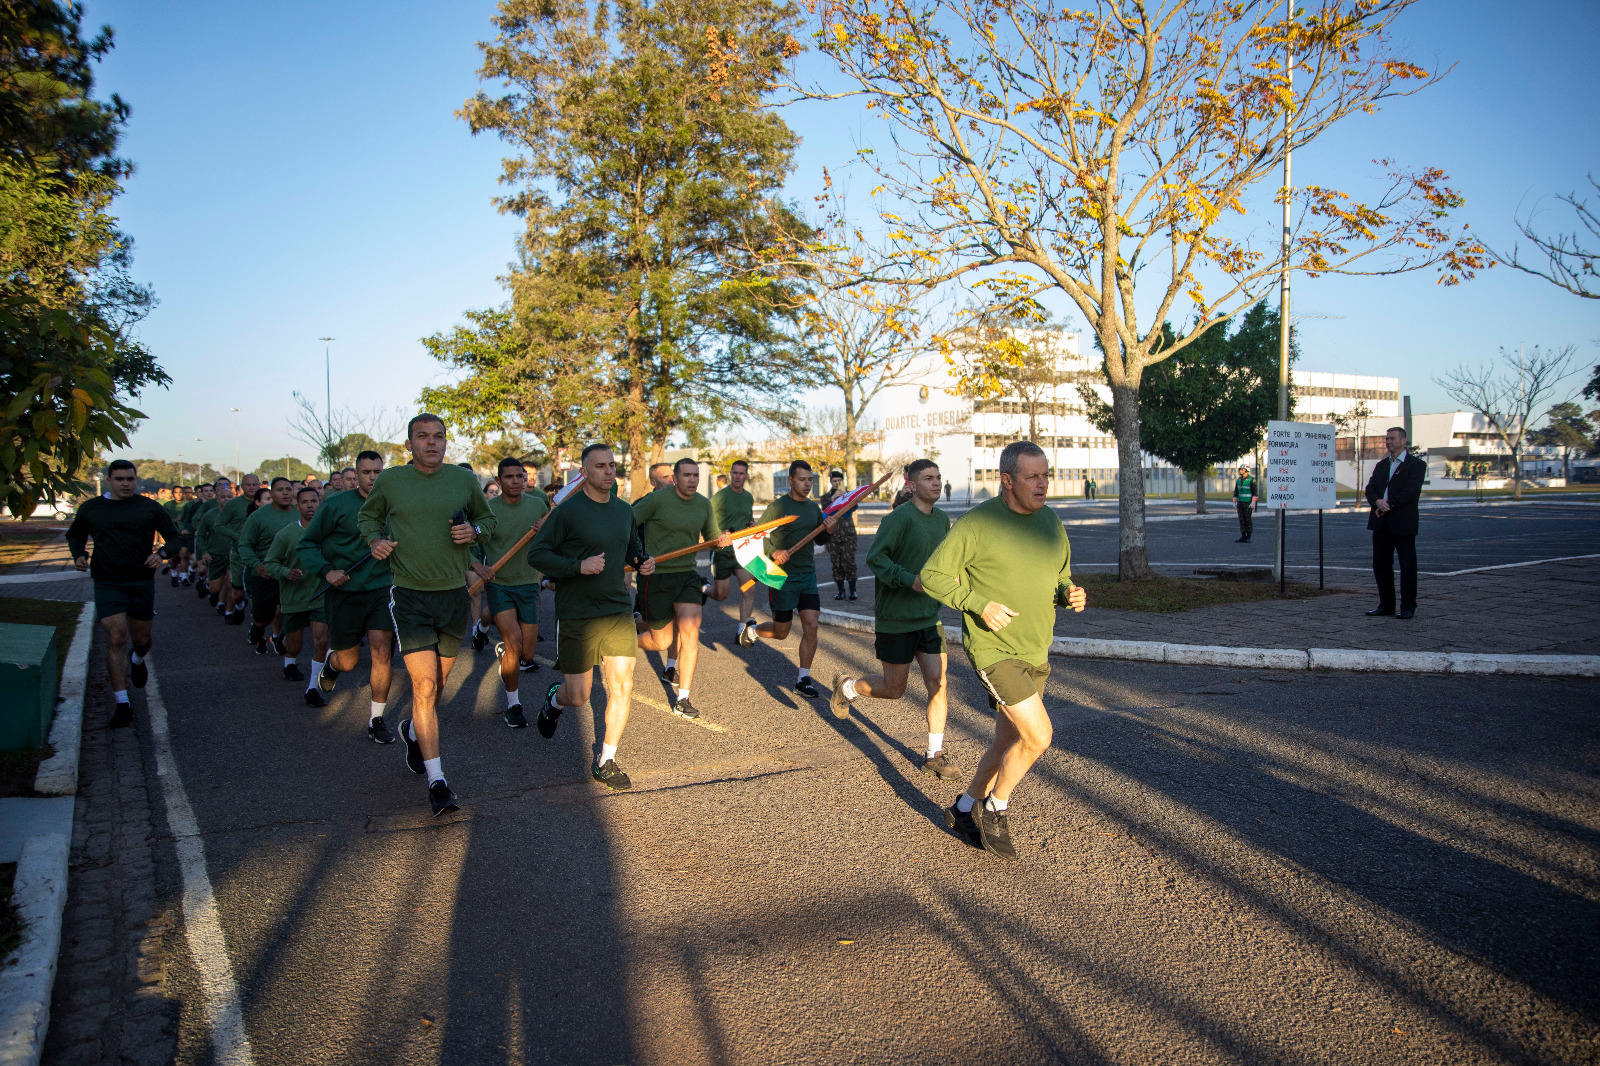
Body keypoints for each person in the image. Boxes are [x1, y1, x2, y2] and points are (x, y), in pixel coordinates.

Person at [920, 441, 1086, 861]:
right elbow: (932, 575)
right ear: (1007, 480)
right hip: (995, 650)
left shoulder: (1051, 522)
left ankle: (963, 809)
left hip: (1036, 649)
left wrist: (1069, 593)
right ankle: (995, 807)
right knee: (1039, 736)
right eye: (1032, 477)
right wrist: (979, 604)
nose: (1042, 484)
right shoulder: (977, 525)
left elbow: (1061, 574)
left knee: (1007, 740)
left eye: (1045, 475)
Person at [359, 416, 495, 816]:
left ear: (446, 443)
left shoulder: (463, 480)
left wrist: (474, 532)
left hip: (453, 596)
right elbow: (368, 517)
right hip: (410, 596)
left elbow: (488, 521)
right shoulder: (391, 481)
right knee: (424, 685)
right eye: (423, 437)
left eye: (438, 437)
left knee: (438, 686)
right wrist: (374, 540)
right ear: (409, 444)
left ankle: (413, 731)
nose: (431, 443)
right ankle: (438, 782)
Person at [527, 443, 656, 790]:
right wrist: (577, 566)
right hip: (577, 614)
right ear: (584, 472)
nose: (608, 471)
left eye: (612, 465)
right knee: (579, 695)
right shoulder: (567, 512)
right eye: (600, 466)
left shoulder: (624, 511)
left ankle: (606, 760)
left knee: (623, 686)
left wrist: (643, 561)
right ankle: (555, 699)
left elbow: (632, 550)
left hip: (616, 610)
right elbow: (537, 555)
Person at [831, 459, 959, 779]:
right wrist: (908, 580)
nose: (936, 483)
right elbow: (876, 558)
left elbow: (943, 560)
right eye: (928, 478)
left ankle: (934, 754)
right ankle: (848, 687)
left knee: (938, 683)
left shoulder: (942, 520)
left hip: (928, 617)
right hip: (896, 618)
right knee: (894, 689)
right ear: (911, 485)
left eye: (938, 477)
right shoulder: (898, 519)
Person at [66, 460, 181, 728]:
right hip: (107, 581)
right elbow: (75, 535)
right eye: (119, 479)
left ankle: (137, 658)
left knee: (141, 641)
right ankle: (122, 703)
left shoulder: (149, 507)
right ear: (109, 480)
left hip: (141, 581)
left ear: (135, 480)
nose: (126, 484)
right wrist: (79, 554)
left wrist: (162, 554)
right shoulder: (92, 508)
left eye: (130, 479)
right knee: (116, 637)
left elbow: (174, 538)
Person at [298, 451, 395, 720]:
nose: (372, 477)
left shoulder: (394, 505)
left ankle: (377, 719)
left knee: (382, 653)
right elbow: (307, 544)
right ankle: (333, 664)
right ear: (355, 474)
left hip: (381, 589)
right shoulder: (335, 505)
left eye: (377, 472)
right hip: (344, 591)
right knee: (348, 661)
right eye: (366, 472)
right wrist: (327, 571)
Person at [632, 458, 731, 720]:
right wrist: (638, 555)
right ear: (675, 479)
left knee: (690, 634)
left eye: (696, 475)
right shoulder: (656, 501)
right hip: (657, 576)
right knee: (661, 641)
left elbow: (712, 537)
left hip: (687, 575)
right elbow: (626, 523)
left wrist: (721, 539)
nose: (692, 480)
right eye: (687, 475)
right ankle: (621, 643)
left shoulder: (703, 504)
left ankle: (683, 698)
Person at [739, 460, 837, 698]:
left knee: (811, 625)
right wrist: (774, 551)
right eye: (802, 480)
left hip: (807, 576)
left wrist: (829, 530)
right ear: (791, 480)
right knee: (782, 631)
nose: (807, 484)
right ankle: (753, 630)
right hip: (781, 577)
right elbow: (757, 535)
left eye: (810, 480)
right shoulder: (778, 507)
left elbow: (820, 539)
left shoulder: (813, 508)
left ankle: (803, 679)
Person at [471, 457, 551, 727]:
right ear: (498, 480)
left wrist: (545, 531)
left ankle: (495, 642)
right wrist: (478, 567)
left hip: (528, 583)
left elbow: (552, 540)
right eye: (509, 477)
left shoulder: (538, 505)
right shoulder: (488, 511)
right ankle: (513, 704)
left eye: (520, 476)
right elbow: (470, 546)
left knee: (527, 654)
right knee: (514, 643)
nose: (516, 481)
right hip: (499, 583)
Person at [265, 486, 330, 693]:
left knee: (321, 642)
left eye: (314, 501)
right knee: (294, 647)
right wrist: (286, 572)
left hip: (320, 596)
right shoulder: (286, 535)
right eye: (304, 502)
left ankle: (313, 687)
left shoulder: (328, 532)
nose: (310, 505)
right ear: (296, 505)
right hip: (293, 597)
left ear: (319, 504)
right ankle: (289, 660)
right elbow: (270, 564)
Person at [1365, 426, 1425, 619]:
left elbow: (1411, 491)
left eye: (1392, 438)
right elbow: (1370, 488)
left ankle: (1408, 606)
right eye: (1387, 438)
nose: (1388, 441)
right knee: (1381, 565)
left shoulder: (1416, 465)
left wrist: (1388, 504)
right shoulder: (1381, 465)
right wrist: (1377, 502)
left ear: (1403, 441)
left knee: (1407, 566)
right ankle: (1386, 605)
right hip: (1381, 522)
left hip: (1403, 523)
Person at [237, 477, 298, 654]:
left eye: (288, 489)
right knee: (264, 617)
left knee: (288, 613)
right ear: (271, 493)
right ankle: (257, 627)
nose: (285, 493)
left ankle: (284, 647)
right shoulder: (258, 517)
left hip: (292, 575)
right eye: (280, 490)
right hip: (265, 575)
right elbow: (244, 545)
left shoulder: (299, 514)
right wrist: (256, 565)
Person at [710, 459, 758, 625]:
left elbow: (747, 519)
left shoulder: (748, 497)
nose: (737, 476)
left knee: (749, 590)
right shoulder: (720, 497)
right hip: (722, 552)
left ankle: (742, 631)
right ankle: (704, 588)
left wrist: (752, 525)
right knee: (721, 595)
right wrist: (717, 533)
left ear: (746, 476)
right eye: (735, 473)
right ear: (731, 474)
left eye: (741, 473)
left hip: (742, 551)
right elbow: (707, 518)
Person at [213, 472, 261, 625]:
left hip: (260, 554)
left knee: (256, 591)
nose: (251, 487)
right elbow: (219, 525)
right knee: (238, 593)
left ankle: (256, 625)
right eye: (248, 485)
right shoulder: (232, 504)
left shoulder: (267, 502)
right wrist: (237, 537)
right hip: (239, 553)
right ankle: (239, 606)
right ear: (242, 487)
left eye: (254, 485)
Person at [820, 469, 859, 600]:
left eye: (839, 481)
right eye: (834, 481)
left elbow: (854, 507)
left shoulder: (848, 495)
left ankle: (853, 590)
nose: (837, 483)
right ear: (831, 482)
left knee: (849, 562)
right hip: (833, 535)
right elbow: (824, 510)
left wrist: (845, 497)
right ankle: (841, 590)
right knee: (836, 564)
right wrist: (833, 499)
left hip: (848, 534)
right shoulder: (826, 497)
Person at [194, 478, 232, 611]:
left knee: (231, 582)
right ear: (217, 499)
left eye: (229, 497)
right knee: (215, 588)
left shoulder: (239, 514)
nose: (226, 499)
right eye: (223, 497)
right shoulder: (209, 515)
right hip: (215, 556)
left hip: (233, 556)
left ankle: (229, 611)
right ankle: (209, 589)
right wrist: (204, 551)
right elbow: (200, 535)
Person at [1233, 465, 1257, 543]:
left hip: (1248, 502)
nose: (1240, 471)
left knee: (1248, 519)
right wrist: (1235, 501)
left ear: (1246, 470)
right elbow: (1236, 491)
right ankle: (1243, 536)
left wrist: (1253, 502)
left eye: (1242, 469)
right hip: (1240, 502)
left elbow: (1255, 492)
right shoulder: (1239, 480)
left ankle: (1248, 536)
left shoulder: (1251, 480)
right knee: (1241, 520)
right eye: (1240, 469)